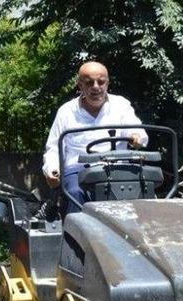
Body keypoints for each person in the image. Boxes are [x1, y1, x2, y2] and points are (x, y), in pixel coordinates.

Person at [42, 61, 148, 213]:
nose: (96, 87)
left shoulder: (121, 105)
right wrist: (52, 170)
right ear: (80, 85)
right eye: (89, 82)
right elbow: (53, 148)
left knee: (143, 190)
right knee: (74, 193)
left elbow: (136, 131)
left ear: (107, 83)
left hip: (117, 169)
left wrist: (136, 137)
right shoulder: (66, 112)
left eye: (101, 82)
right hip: (78, 172)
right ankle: (76, 235)